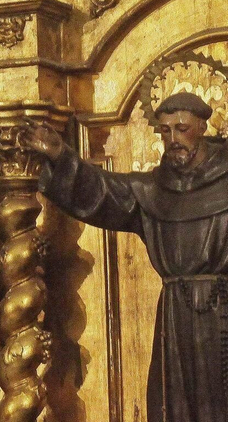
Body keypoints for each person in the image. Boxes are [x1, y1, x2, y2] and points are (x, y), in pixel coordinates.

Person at [25, 92, 228, 422]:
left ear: (202, 126)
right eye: (165, 131)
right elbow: (102, 192)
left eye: (181, 128)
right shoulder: (151, 190)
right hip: (176, 316)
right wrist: (60, 155)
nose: (173, 139)